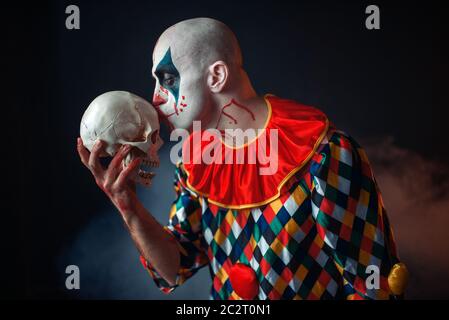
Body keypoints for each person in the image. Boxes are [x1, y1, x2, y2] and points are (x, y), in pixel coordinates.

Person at [77, 17, 407, 300]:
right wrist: (127, 205)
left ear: (216, 77)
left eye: (169, 80)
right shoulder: (194, 159)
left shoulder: (323, 153)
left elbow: (372, 286)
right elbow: (175, 267)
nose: (156, 97)